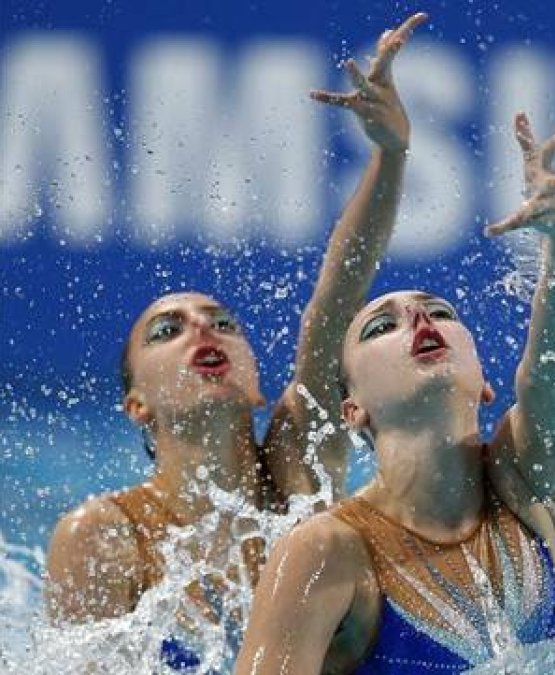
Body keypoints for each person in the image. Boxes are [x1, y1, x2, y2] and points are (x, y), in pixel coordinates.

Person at [44, 13, 428, 668]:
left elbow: (336, 301)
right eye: (169, 330)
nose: (202, 330)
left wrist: (391, 154)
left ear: (254, 381)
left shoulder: (297, 464)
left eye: (223, 322)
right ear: (137, 403)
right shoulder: (106, 536)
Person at [233, 113, 555, 674]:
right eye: (381, 326)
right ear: (352, 409)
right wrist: (390, 158)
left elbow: (552, 375)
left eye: (440, 312)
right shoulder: (327, 553)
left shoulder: (529, 490)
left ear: (486, 382)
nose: (420, 317)